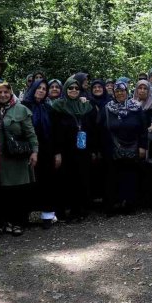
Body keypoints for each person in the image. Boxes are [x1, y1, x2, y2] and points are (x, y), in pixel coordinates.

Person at [0, 82, 38, 237]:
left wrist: (34, 151)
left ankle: (17, 223)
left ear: (11, 93)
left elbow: (30, 133)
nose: (2, 95)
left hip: (15, 158)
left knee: (16, 192)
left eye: (6, 92)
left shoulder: (21, 109)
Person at [51, 77, 98, 221]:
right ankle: (63, 211)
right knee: (65, 180)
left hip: (83, 150)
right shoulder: (58, 106)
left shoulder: (86, 106)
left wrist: (94, 150)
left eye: (77, 88)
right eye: (71, 88)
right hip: (65, 151)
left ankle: (79, 210)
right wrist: (57, 152)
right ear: (66, 89)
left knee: (82, 178)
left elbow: (94, 129)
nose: (74, 90)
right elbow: (54, 131)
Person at [99, 81, 148, 214]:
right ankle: (112, 205)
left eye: (123, 90)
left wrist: (143, 147)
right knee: (112, 177)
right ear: (114, 93)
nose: (120, 93)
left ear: (127, 92)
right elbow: (100, 128)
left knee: (130, 177)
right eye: (117, 91)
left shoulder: (136, 108)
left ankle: (129, 205)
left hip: (132, 147)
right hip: (112, 148)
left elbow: (143, 130)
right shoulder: (107, 108)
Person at [22, 78, 58, 229]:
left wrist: (57, 152)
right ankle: (26, 216)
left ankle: (47, 217)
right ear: (33, 88)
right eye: (39, 88)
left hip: (47, 151)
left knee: (46, 182)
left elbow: (55, 132)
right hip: (28, 150)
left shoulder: (48, 108)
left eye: (44, 88)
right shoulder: (24, 106)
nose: (42, 90)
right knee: (29, 183)